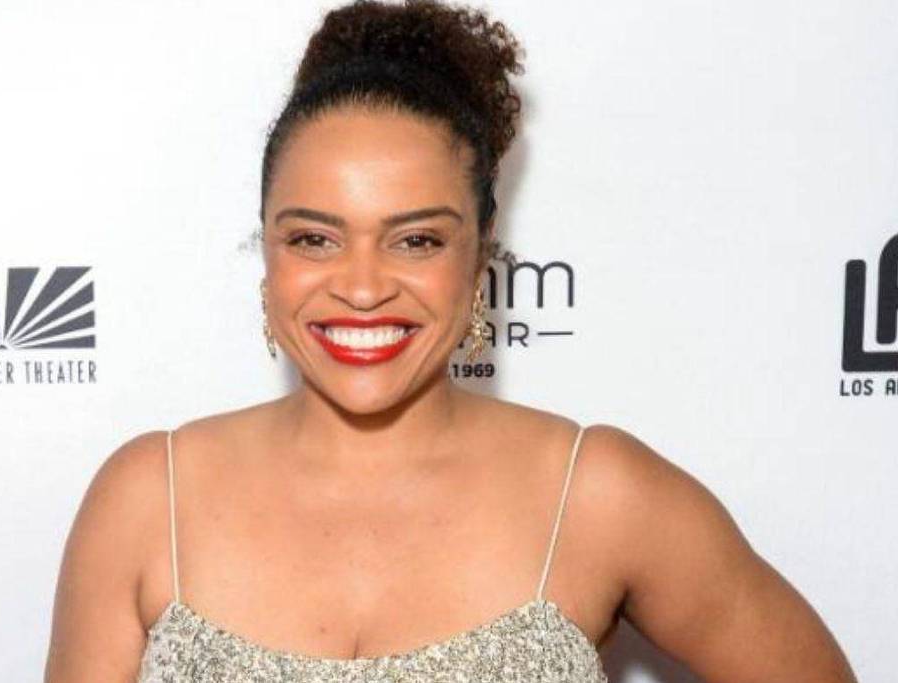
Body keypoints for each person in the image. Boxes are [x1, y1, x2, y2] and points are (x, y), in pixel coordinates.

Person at [44, 1, 858, 681]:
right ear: (268, 251)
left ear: (480, 256)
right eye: (315, 239)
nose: (363, 287)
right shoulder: (147, 499)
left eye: (417, 240)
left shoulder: (597, 494)